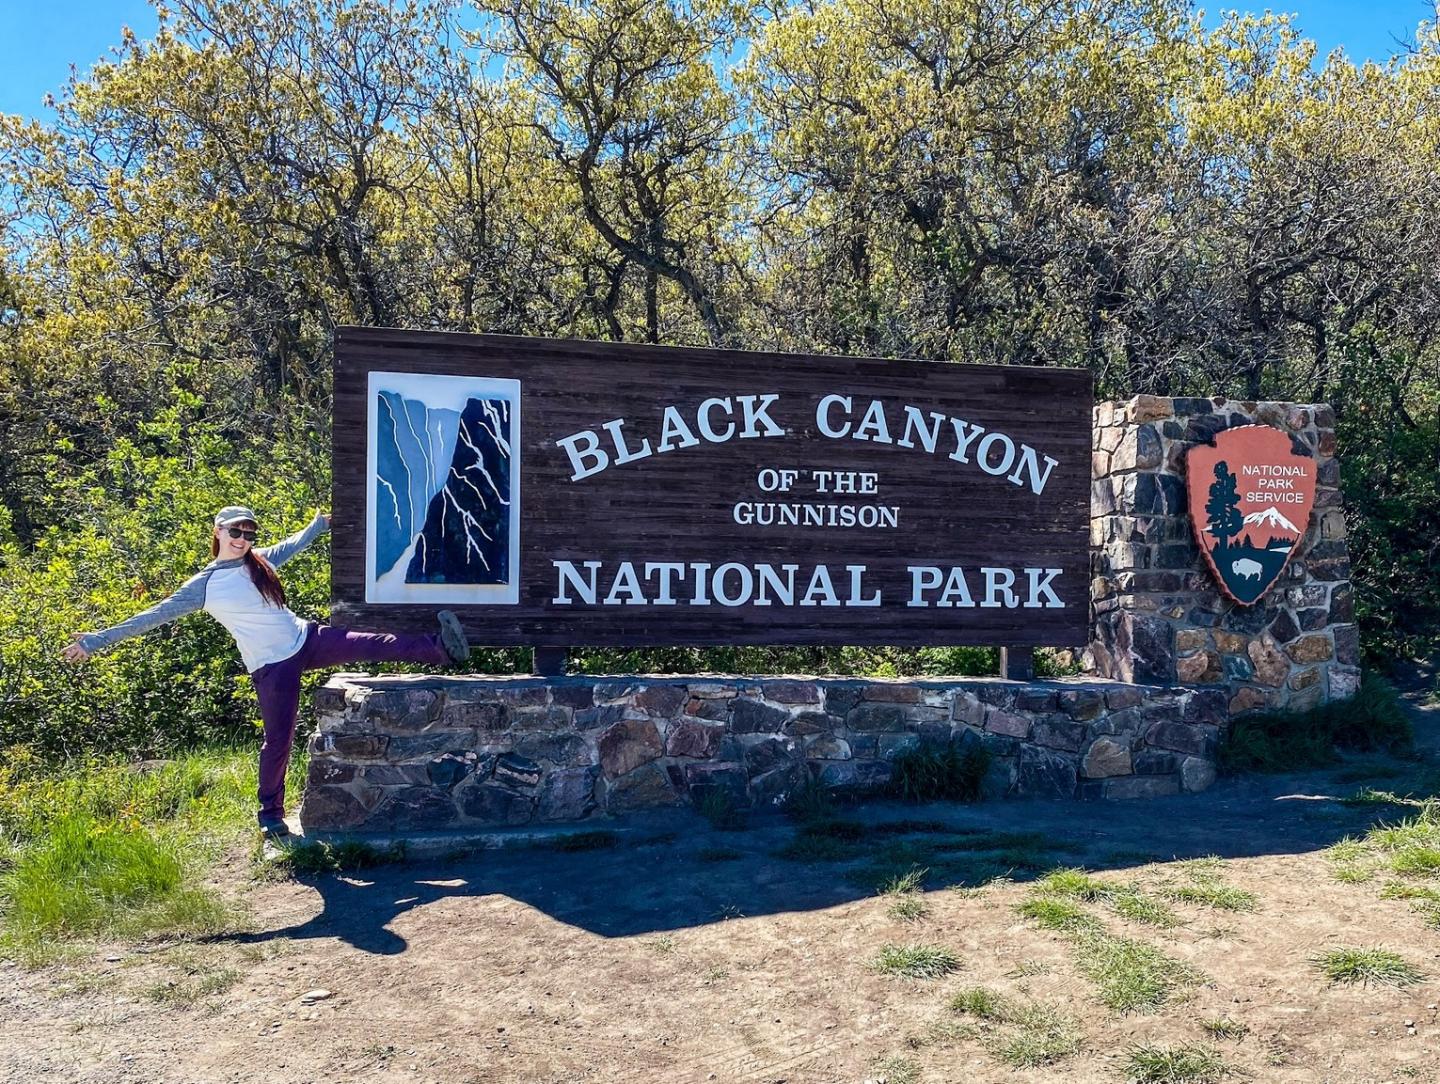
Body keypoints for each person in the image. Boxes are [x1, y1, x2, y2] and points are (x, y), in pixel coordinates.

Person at [61, 504, 470, 837]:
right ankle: (270, 813)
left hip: (306, 638)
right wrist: (94, 641)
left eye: (249, 534)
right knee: (279, 740)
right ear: (218, 531)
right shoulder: (203, 586)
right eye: (235, 532)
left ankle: (442, 649)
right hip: (272, 667)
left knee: (372, 641)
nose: (242, 540)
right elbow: (153, 616)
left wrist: (318, 525)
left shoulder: (258, 563)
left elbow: (291, 546)